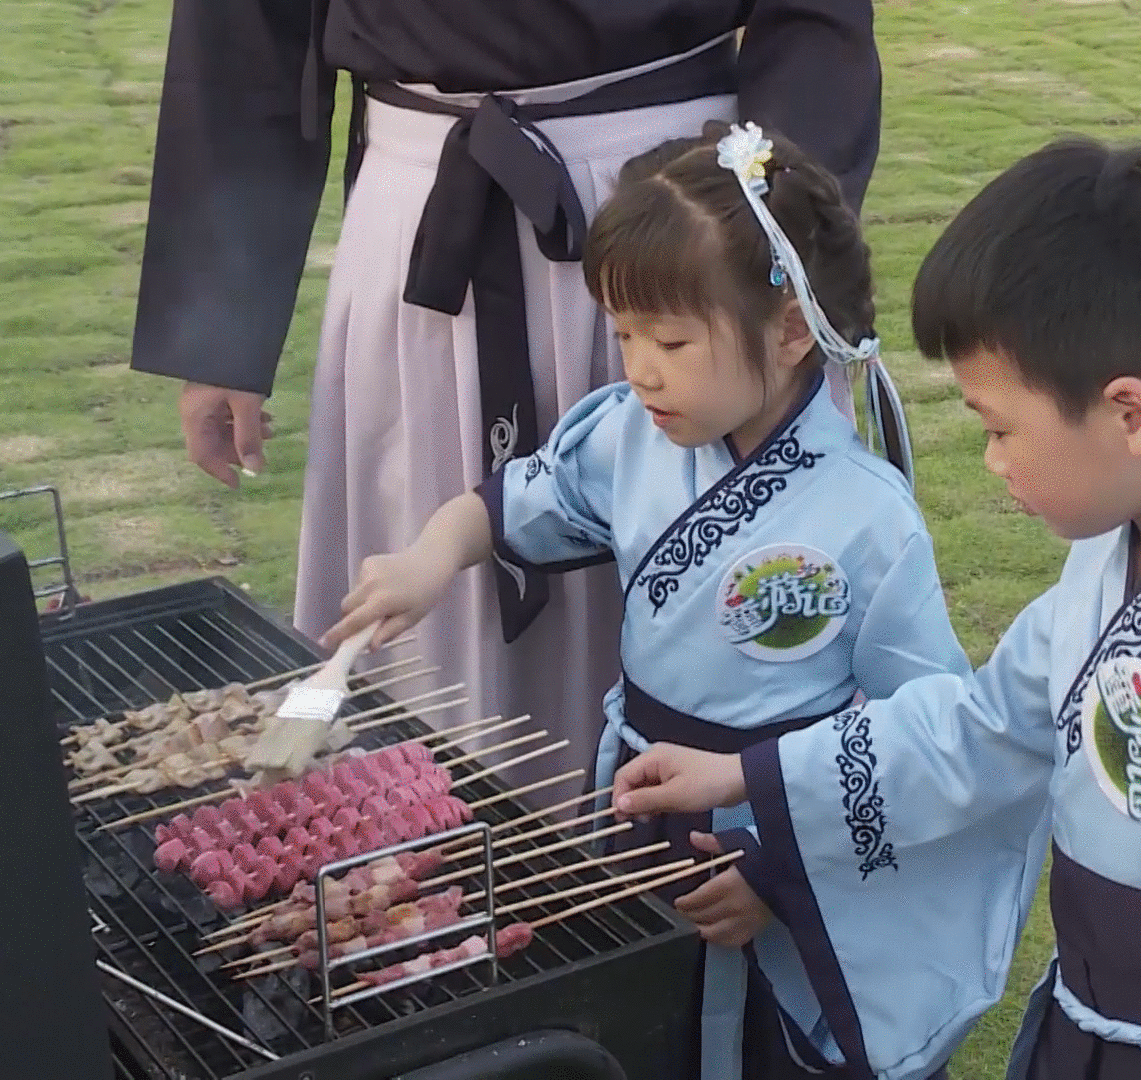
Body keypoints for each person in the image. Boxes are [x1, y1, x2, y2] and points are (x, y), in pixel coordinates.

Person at [609, 137, 1141, 1080]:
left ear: (1130, 415)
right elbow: (981, 731)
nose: (991, 463)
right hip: (1089, 1030)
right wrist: (749, 775)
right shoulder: (1114, 558)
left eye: (999, 429)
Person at [320, 121, 969, 1079]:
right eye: (624, 334)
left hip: (775, 826)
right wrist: (428, 558)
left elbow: (924, 731)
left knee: (759, 1044)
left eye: (671, 339)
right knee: (640, 1024)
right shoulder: (630, 436)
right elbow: (513, 503)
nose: (639, 368)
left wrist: (784, 878)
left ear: (793, 330)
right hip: (637, 802)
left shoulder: (867, 519)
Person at [128, 1, 884, 796]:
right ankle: (427, 866)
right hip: (421, 208)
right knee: (429, 643)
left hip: (679, 220)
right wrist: (220, 315)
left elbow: (813, 18)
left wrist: (773, 238)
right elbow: (244, 27)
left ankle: (713, 853)